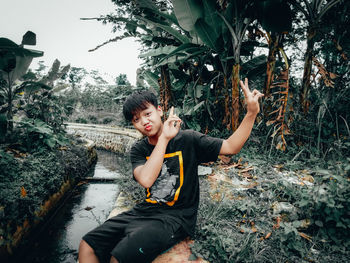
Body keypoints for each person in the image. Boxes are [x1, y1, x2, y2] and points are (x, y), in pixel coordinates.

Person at [78, 78, 263, 263]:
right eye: (136, 119)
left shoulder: (188, 139)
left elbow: (231, 147)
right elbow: (146, 180)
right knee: (87, 245)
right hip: (144, 211)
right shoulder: (139, 149)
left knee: (119, 257)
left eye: (147, 113)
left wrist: (251, 113)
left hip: (176, 218)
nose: (144, 121)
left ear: (159, 111)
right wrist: (164, 140)